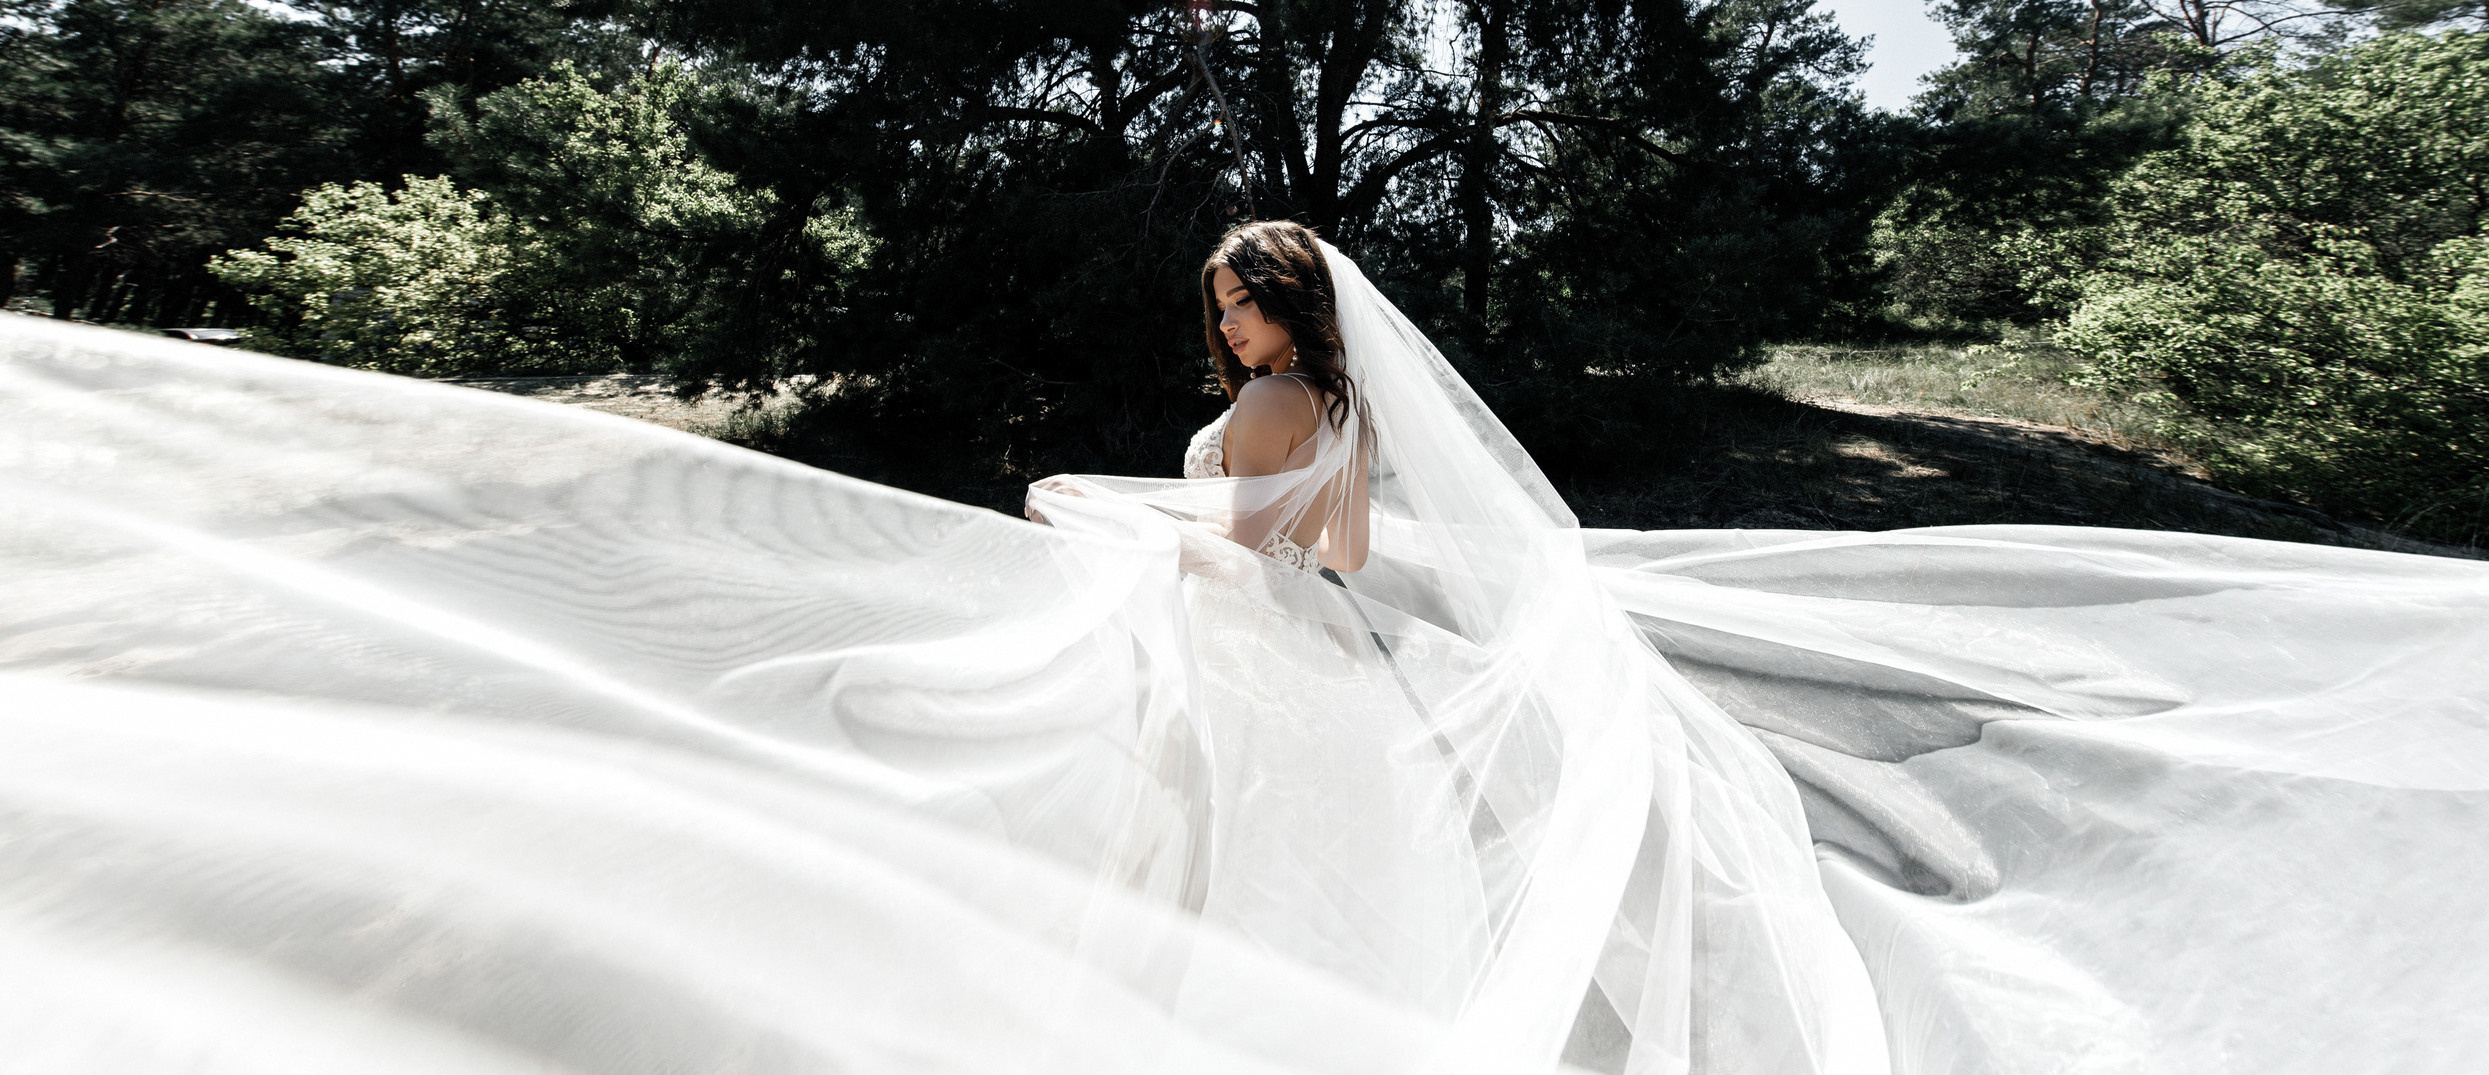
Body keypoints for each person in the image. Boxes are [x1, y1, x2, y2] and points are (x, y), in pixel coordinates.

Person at [1, 223, 2486, 1075]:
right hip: (1203, 655)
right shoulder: (1255, 409)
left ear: (1288, 317)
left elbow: (1314, 569)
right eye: (1210, 304)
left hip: (1268, 666)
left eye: (1231, 299)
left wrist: (1147, 537)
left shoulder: (1313, 424)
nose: (1213, 328)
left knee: (1249, 857)